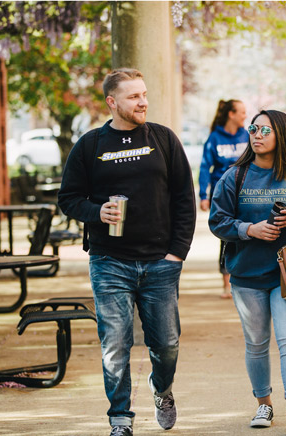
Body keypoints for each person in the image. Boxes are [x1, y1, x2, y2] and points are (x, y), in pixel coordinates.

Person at [58, 68, 196, 436]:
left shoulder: (163, 139)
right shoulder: (90, 146)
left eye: (144, 94)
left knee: (166, 344)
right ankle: (120, 419)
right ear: (112, 102)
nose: (143, 101)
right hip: (109, 261)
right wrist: (96, 212)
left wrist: (177, 253)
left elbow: (185, 198)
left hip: (160, 263)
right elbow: (68, 199)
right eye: (134, 96)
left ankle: (161, 388)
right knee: (115, 346)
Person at [209, 110, 286, 434]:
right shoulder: (235, 177)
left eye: (265, 130)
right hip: (246, 275)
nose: (257, 135)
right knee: (257, 342)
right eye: (253, 129)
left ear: (281, 136)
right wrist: (249, 229)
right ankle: (264, 404)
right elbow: (217, 221)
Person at [199, 99, 249, 299]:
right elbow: (204, 166)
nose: (245, 116)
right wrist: (203, 195)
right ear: (231, 114)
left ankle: (245, 278)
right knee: (226, 236)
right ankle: (226, 284)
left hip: (245, 193)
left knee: (246, 232)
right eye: (242, 112)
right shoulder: (214, 138)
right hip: (222, 195)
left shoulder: (246, 135)